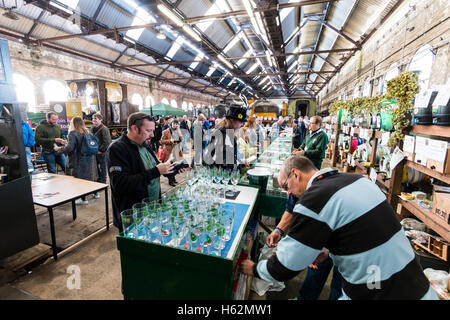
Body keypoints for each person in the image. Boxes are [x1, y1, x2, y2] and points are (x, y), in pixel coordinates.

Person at [241, 155, 438, 300]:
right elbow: (360, 229)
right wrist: (328, 251)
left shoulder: (314, 199)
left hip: (378, 290)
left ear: (295, 174)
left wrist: (256, 269)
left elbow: (287, 264)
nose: (289, 194)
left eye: (286, 187)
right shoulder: (358, 180)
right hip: (415, 284)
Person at [106, 112, 178, 233]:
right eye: (149, 130)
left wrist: (172, 170)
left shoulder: (144, 145)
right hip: (133, 216)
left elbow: (155, 168)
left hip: (152, 210)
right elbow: (120, 184)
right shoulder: (117, 149)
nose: (153, 135)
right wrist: (156, 171)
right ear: (135, 128)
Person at [54, 116, 98, 205]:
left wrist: (59, 149)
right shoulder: (87, 132)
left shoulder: (73, 133)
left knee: (79, 179)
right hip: (89, 159)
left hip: (79, 160)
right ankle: (95, 193)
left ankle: (83, 199)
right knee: (90, 177)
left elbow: (70, 148)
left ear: (73, 124)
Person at [204, 106, 248, 171]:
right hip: (219, 174)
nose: (242, 124)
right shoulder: (224, 134)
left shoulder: (222, 130)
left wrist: (240, 161)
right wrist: (240, 165)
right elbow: (226, 163)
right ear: (233, 121)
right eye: (241, 122)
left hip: (215, 171)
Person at [91, 113, 112, 192]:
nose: (94, 120)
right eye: (93, 118)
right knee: (96, 167)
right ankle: (99, 180)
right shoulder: (93, 128)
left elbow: (107, 142)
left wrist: (100, 150)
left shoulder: (104, 129)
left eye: (96, 119)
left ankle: (103, 182)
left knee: (103, 167)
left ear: (100, 120)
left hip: (101, 152)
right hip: (94, 151)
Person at [160, 119, 184, 187]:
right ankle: (170, 181)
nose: (175, 125)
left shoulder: (178, 131)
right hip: (169, 151)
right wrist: (170, 141)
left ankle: (173, 178)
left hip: (176, 151)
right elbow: (161, 141)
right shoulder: (166, 131)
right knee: (170, 167)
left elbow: (182, 140)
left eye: (176, 124)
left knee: (175, 166)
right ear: (171, 124)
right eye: (174, 124)